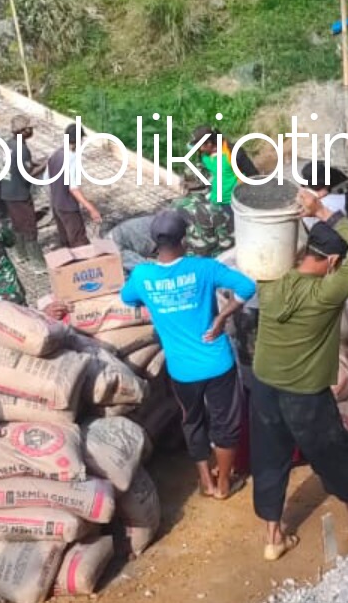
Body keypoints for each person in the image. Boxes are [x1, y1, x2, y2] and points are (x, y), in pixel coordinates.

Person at [250, 189, 348, 560]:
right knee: (333, 451)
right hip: (304, 391)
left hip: (264, 384)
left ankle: (273, 538)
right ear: (332, 260)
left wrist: (301, 219)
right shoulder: (326, 293)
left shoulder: (270, 282)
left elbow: (270, 246)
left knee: (270, 456)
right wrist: (320, 210)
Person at [121, 210, 257, 498]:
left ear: (154, 243)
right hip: (217, 362)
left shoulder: (143, 275)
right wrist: (222, 318)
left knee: (192, 421)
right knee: (226, 423)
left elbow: (127, 298)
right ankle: (224, 485)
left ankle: (206, 482)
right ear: (184, 239)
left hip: (181, 369)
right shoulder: (204, 268)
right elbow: (246, 287)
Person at [47, 123, 102, 248]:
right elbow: (73, 188)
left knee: (65, 240)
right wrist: (91, 209)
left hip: (56, 205)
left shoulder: (55, 155)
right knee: (79, 242)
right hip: (68, 207)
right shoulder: (72, 159)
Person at [0, 113, 42, 261]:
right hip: (19, 193)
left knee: (17, 223)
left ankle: (20, 254)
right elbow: (28, 174)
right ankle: (37, 262)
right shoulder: (22, 149)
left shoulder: (9, 144)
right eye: (29, 129)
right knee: (29, 226)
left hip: (7, 190)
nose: (32, 131)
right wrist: (45, 164)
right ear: (23, 131)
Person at [190, 126, 245, 208]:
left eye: (200, 146)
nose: (200, 149)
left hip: (234, 202)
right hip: (215, 200)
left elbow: (252, 174)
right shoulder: (204, 156)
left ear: (209, 143)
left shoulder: (232, 152)